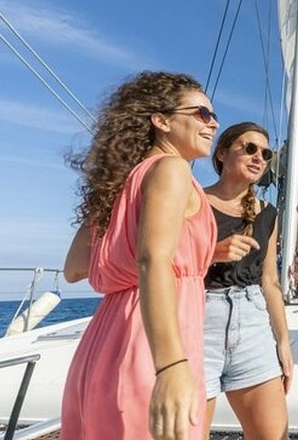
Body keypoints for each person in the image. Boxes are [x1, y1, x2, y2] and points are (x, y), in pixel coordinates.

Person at [61, 71, 219, 440]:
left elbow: (73, 270)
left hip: (103, 343)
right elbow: (153, 260)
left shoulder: (121, 185)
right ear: (162, 121)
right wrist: (172, 366)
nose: (213, 124)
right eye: (202, 114)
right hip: (153, 346)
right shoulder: (172, 168)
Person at [202, 122, 293, 440]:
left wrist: (282, 342)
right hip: (199, 321)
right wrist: (213, 253)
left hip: (253, 327)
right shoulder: (193, 201)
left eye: (266, 153)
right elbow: (166, 265)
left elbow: (270, 281)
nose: (259, 157)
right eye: (250, 148)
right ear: (222, 154)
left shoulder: (268, 213)